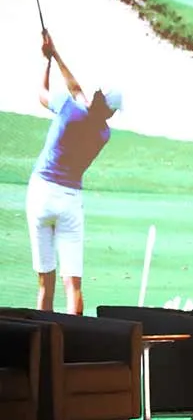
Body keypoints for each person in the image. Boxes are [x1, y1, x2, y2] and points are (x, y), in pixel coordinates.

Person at [27, 30, 122, 315]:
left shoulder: (69, 109)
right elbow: (78, 91)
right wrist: (54, 54)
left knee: (46, 284)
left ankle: (43, 344)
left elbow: (42, 94)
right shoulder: (103, 133)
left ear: (96, 97)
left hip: (41, 193)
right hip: (70, 202)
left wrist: (47, 61)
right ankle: (72, 344)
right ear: (111, 112)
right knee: (74, 286)